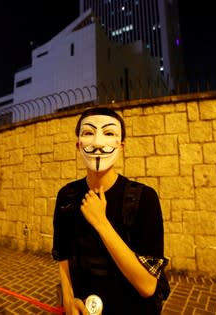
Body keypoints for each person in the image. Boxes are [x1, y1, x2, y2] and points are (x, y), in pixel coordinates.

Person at [52, 107, 168, 314]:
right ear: (78, 145)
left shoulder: (145, 198)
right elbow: (63, 256)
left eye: (109, 133)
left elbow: (147, 286)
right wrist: (69, 300)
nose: (97, 143)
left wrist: (101, 223)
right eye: (88, 133)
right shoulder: (67, 196)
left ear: (121, 145)